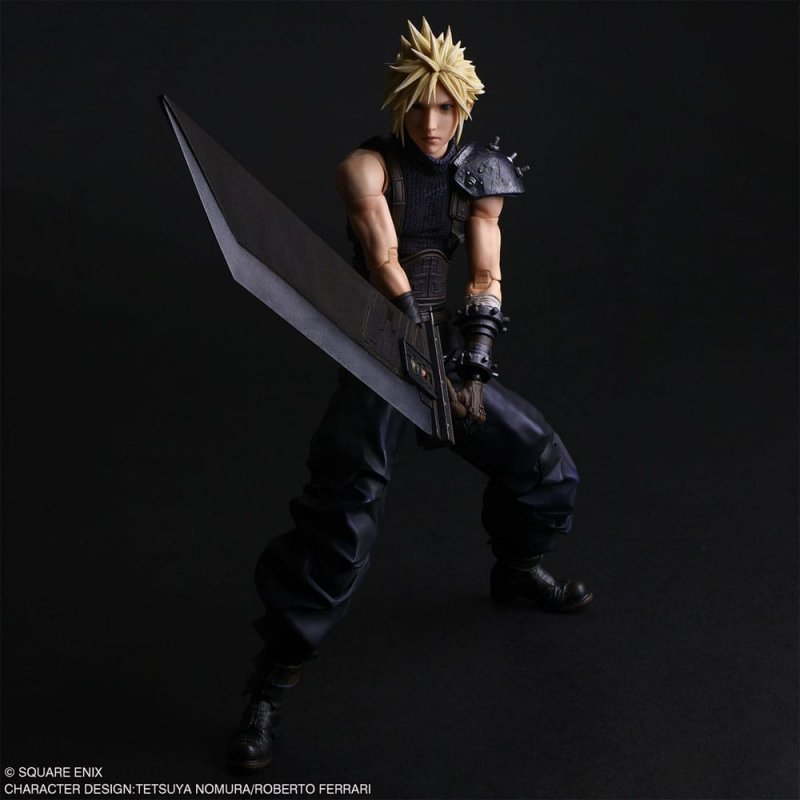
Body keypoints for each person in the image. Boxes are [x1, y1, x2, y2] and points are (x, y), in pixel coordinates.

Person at [227, 18, 592, 772]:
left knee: (543, 464)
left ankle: (515, 570)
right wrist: (414, 342)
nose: (432, 123)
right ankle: (269, 688)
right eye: (420, 107)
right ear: (400, 105)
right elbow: (385, 257)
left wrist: (474, 357)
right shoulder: (366, 168)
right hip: (380, 350)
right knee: (342, 521)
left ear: (464, 107)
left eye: (445, 108)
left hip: (446, 352)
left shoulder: (481, 173)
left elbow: (485, 272)